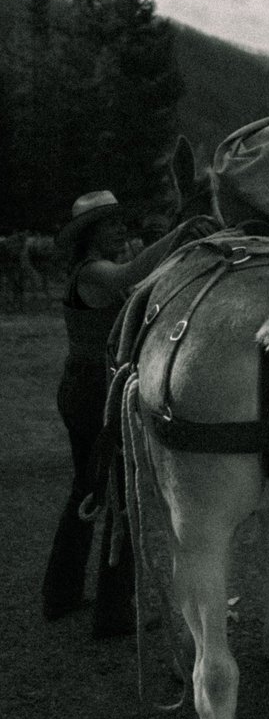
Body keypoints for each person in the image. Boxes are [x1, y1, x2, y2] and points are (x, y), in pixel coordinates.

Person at [42, 190, 210, 636]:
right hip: (96, 390)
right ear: (93, 233)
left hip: (85, 387)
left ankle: (61, 594)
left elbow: (141, 280)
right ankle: (115, 610)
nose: (122, 230)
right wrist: (181, 233)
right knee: (121, 494)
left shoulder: (89, 274)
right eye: (113, 225)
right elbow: (133, 274)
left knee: (90, 491)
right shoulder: (94, 273)